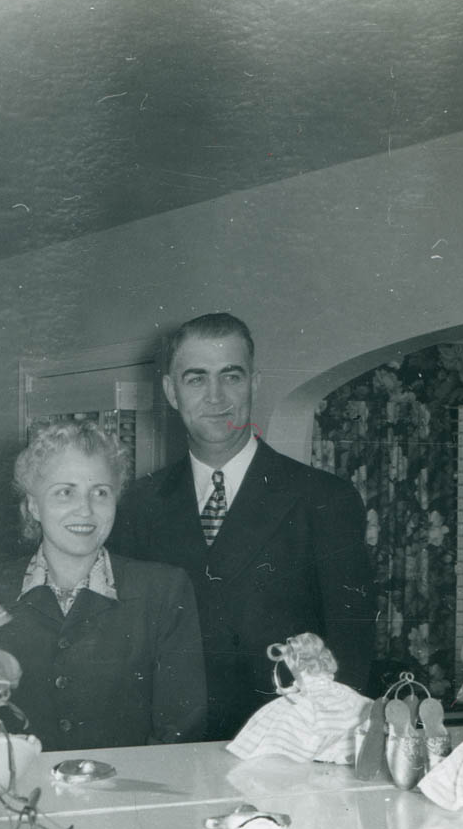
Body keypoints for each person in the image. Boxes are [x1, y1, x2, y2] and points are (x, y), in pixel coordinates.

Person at [108, 313, 374, 741]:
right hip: (170, 748)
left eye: (231, 376)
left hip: (287, 747)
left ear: (254, 382)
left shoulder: (324, 499)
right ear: (171, 392)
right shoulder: (137, 505)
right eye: (196, 379)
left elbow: (351, 649)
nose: (215, 397)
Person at [0, 420, 207, 751]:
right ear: (33, 505)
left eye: (100, 492)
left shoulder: (163, 591)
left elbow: (180, 728)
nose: (86, 509)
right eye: (65, 492)